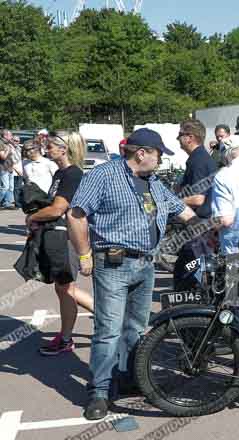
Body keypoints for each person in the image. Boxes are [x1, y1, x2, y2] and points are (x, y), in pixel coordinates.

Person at [67, 128, 197, 420]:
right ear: (142, 153)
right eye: (158, 155)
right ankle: (99, 392)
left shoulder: (153, 183)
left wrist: (218, 224)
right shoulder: (103, 175)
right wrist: (85, 254)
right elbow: (76, 215)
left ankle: (128, 377)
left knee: (136, 329)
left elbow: (183, 212)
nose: (161, 161)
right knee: (108, 331)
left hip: (146, 264)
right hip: (113, 264)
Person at [27, 132, 95, 356]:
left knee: (66, 288)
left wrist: (34, 217)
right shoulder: (61, 172)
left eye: (51, 145)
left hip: (67, 238)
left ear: (63, 149)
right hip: (59, 236)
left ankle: (68, 338)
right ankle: (108, 319)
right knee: (65, 288)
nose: (46, 147)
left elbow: (58, 209)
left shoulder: (73, 174)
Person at [178, 119, 217, 219]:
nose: (177, 138)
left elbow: (198, 199)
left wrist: (174, 202)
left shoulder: (198, 161)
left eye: (180, 135)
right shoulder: (200, 157)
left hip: (203, 222)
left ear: (190, 138)